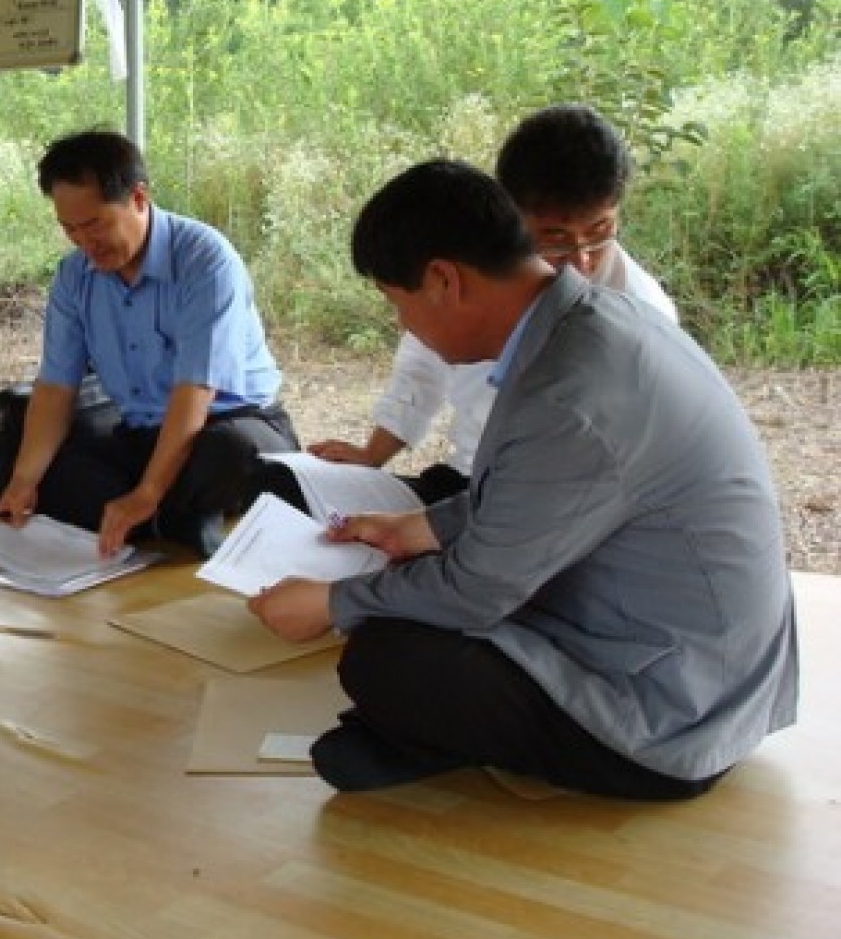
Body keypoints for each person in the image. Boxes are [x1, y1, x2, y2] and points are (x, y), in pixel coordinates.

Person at [252, 159, 799, 799]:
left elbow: (475, 593)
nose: (405, 328)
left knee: (387, 655)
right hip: (701, 659)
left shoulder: (569, 393)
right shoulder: (590, 323)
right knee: (403, 611)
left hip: (677, 711)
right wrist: (424, 525)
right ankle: (423, 733)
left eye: (397, 306)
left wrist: (329, 604)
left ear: (442, 280)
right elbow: (541, 496)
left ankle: (437, 735)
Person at [306, 104, 678, 502]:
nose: (580, 261)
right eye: (554, 237)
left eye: (600, 233)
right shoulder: (473, 273)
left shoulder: (643, 314)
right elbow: (422, 365)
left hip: (559, 500)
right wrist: (371, 456)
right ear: (510, 216)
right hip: (469, 478)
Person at [0, 130, 297, 557]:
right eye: (69, 229)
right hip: (143, 431)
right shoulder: (74, 276)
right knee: (45, 463)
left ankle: (154, 512)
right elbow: (56, 387)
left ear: (138, 198)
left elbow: (195, 392)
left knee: (233, 454)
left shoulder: (206, 260)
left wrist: (148, 491)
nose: (84, 242)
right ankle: (175, 519)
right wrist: (23, 482)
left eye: (95, 224)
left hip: (228, 422)